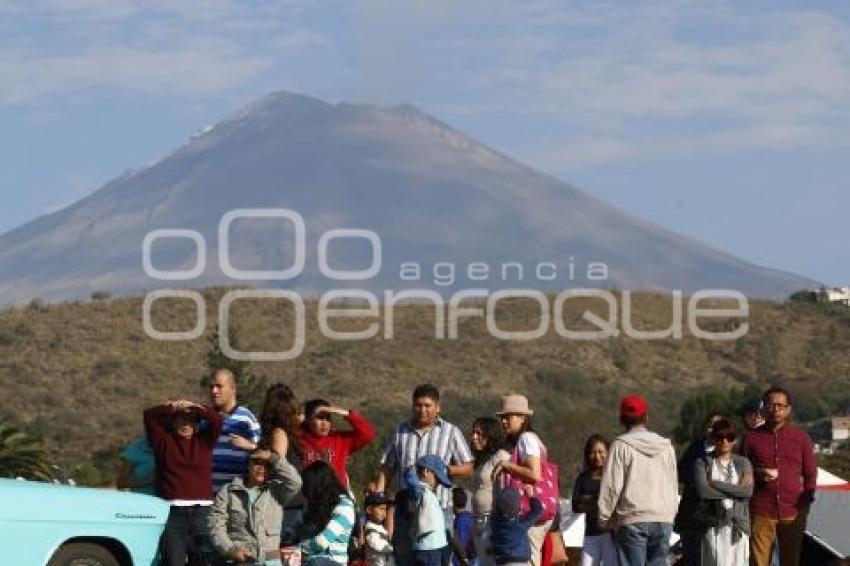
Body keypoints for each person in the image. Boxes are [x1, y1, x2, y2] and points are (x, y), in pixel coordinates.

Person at [375, 383, 475, 564]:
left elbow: (468, 467)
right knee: (405, 558)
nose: (422, 410)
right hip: (406, 509)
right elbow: (388, 466)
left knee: (437, 560)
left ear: (438, 407)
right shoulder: (400, 431)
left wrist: (444, 470)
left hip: (439, 509)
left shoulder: (450, 432)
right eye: (418, 405)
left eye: (427, 406)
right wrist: (378, 494)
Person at [739, 387, 816, 566]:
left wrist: (805, 504)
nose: (775, 409)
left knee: (790, 561)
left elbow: (811, 474)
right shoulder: (750, 438)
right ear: (763, 408)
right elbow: (741, 472)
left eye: (780, 405)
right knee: (758, 562)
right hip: (760, 510)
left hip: (793, 512)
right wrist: (758, 474)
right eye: (770, 405)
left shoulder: (801, 438)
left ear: (788, 409)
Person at [598, 394, 678, 566]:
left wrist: (604, 518)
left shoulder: (621, 445)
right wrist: (671, 513)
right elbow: (673, 483)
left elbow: (611, 486)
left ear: (622, 419)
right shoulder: (666, 446)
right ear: (646, 417)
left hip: (632, 518)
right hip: (663, 517)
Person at [144, 399, 223, 566]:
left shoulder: (204, 442)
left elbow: (217, 420)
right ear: (173, 422)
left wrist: (196, 407)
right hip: (172, 514)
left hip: (202, 514)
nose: (186, 424)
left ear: (196, 424)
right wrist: (172, 406)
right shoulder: (163, 441)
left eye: (191, 420)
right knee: (174, 561)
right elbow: (149, 415)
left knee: (204, 561)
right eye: (181, 419)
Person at [209, 447, 303, 565]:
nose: (261, 469)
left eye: (267, 465)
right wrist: (230, 549)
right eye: (257, 463)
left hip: (271, 560)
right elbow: (216, 526)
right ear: (248, 465)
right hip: (241, 560)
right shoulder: (228, 491)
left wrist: (273, 458)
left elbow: (296, 482)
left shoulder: (277, 491)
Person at [492, 394, 554, 566]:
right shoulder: (531, 439)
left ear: (522, 417)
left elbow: (534, 474)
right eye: (502, 418)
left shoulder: (526, 439)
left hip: (530, 511)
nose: (504, 421)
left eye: (508, 417)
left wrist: (507, 466)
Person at [692, 419, 753, 566]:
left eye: (729, 437)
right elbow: (704, 492)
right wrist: (735, 491)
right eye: (720, 437)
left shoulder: (743, 463)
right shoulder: (702, 463)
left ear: (734, 440)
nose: (725, 441)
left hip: (738, 525)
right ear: (713, 439)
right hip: (713, 525)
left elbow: (747, 492)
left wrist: (715, 484)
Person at [259, 382, 304, 545]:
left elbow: (279, 464)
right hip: (293, 506)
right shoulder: (289, 434)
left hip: (285, 509)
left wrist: (251, 448)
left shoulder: (278, 433)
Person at [676, 413, 725, 566]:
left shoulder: (727, 452)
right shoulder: (695, 447)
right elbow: (681, 472)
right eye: (710, 425)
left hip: (713, 516)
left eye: (718, 426)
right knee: (691, 557)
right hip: (690, 513)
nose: (712, 430)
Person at [297, 398, 376, 489]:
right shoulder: (299, 438)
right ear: (308, 420)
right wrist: (300, 419)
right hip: (307, 496)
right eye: (320, 418)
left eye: (328, 418)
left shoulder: (339, 439)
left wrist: (340, 412)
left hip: (337, 496)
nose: (324, 423)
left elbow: (368, 434)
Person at [209, 368, 262, 492]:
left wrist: (250, 446)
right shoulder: (206, 418)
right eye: (211, 387)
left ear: (232, 388)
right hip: (209, 496)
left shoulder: (246, 418)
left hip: (237, 494)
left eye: (219, 386)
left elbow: (261, 454)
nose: (214, 391)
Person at [299, 460, 357, 565]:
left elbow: (322, 542)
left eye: (308, 488)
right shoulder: (318, 506)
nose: (305, 494)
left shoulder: (344, 506)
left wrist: (294, 550)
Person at [469, 417, 510, 566]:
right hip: (479, 522)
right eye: (473, 433)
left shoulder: (501, 457)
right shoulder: (481, 461)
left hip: (492, 523)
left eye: (479, 433)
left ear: (491, 435)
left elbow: (508, 489)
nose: (474, 437)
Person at [571, 434, 617, 566]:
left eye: (601, 452)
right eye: (593, 452)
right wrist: (601, 501)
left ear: (608, 452)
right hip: (591, 534)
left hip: (611, 535)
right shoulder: (583, 478)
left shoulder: (614, 476)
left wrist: (588, 500)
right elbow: (576, 505)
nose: (597, 456)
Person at [401, 454, 454, 566]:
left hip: (438, 546)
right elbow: (412, 483)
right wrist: (409, 472)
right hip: (427, 548)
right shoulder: (420, 491)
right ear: (426, 472)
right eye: (437, 478)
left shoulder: (430, 493)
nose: (439, 483)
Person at [489, 485, 544, 565]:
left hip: (502, 561)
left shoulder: (495, 523)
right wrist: (531, 496)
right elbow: (538, 510)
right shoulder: (520, 523)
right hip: (520, 561)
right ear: (518, 509)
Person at [364, 491, 396, 566]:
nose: (384, 512)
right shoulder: (370, 528)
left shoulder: (380, 527)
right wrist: (395, 548)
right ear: (369, 510)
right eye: (381, 509)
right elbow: (377, 545)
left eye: (385, 509)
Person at [452, 488, 477, 566]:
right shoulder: (471, 517)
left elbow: (461, 546)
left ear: (453, 503)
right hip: (473, 559)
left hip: (464, 561)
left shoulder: (460, 521)